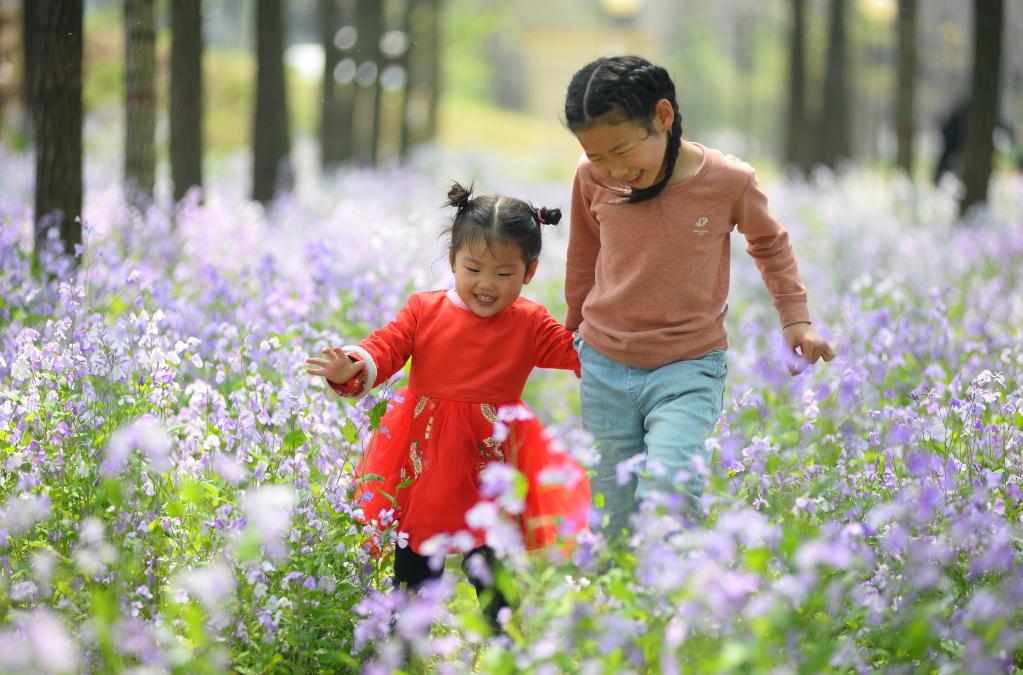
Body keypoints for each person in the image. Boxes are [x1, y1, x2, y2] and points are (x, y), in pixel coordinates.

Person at [561, 55, 836, 538]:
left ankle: (678, 581)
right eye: (596, 155)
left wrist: (796, 319)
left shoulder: (728, 180)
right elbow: (584, 257)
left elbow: (770, 244)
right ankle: (614, 586)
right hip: (604, 364)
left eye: (621, 150)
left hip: (688, 366)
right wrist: (570, 333)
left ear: (663, 116)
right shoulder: (591, 177)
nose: (613, 169)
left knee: (667, 487)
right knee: (612, 509)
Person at [305, 182, 591, 626]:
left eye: (504, 274)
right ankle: (405, 643)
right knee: (417, 553)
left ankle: (504, 643)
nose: (486, 284)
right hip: (426, 454)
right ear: (453, 259)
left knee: (492, 558)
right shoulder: (425, 310)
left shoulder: (530, 322)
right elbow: (387, 346)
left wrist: (619, 334)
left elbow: (580, 354)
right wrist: (352, 367)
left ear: (529, 272)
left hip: (492, 460)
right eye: (473, 268)